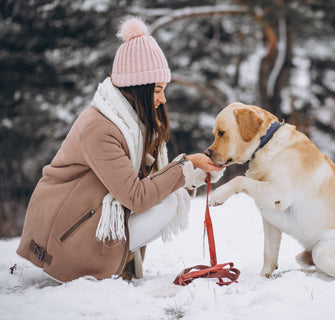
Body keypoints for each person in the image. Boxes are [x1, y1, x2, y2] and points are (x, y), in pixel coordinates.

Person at [16, 17, 224, 282]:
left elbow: (153, 183)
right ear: (138, 88)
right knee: (167, 203)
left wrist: (194, 171)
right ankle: (90, 267)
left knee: (172, 199)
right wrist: (187, 165)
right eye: (158, 90)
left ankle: (114, 263)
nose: (163, 99)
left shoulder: (130, 124)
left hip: (83, 219)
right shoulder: (100, 128)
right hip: (63, 236)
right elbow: (137, 197)